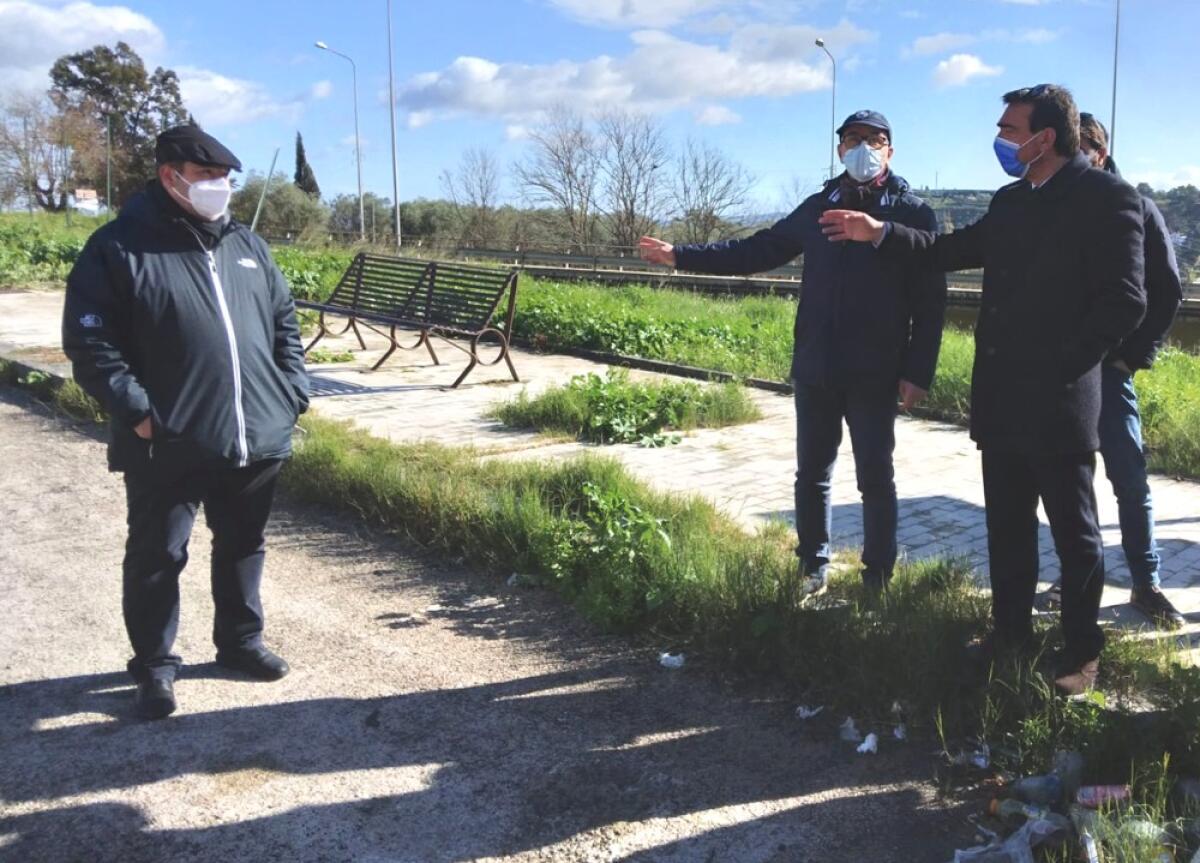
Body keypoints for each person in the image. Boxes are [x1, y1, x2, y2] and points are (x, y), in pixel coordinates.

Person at [819, 85, 1146, 695]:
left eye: (1009, 129)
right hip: (1002, 400)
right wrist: (880, 233)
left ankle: (1081, 654)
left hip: (1058, 400)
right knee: (1007, 527)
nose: (1000, 139)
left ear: (1044, 138)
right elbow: (947, 251)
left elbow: (1126, 300)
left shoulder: (1107, 198)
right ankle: (1011, 634)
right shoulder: (1011, 201)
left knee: (1075, 535)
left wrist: (1063, 369)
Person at [640, 110, 946, 595]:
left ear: (891, 149)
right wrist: (681, 255)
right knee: (812, 474)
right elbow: (758, 250)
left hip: (876, 370)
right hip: (817, 366)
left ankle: (878, 577)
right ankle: (812, 566)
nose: (863, 147)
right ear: (840, 148)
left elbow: (931, 303)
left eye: (875, 139)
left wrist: (918, 371)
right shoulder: (818, 205)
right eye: (853, 139)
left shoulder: (910, 213)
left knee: (875, 475)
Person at [62, 124, 309, 719]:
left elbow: (285, 324)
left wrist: (290, 392)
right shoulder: (118, 248)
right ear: (171, 176)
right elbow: (92, 345)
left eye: (226, 178)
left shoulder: (247, 246)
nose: (220, 187)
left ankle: (241, 643)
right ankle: (154, 667)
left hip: (256, 434)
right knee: (156, 556)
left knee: (244, 544)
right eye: (207, 178)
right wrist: (142, 415)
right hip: (165, 442)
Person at [1039, 113, 1184, 629]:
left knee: (1129, 478)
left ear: (1100, 152)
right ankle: (1075, 576)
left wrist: (1132, 355)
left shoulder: (1135, 206)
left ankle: (1146, 583)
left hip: (1108, 368)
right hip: (1060, 370)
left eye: (1087, 149)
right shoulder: (1052, 207)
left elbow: (1167, 290)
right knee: (1067, 479)